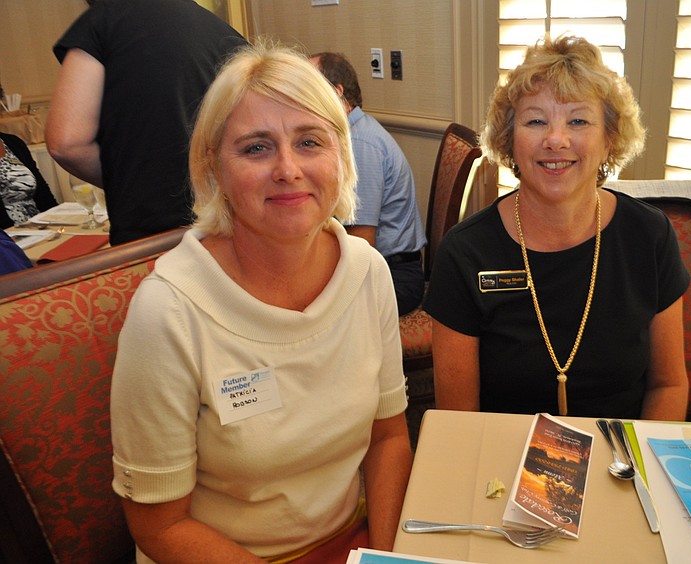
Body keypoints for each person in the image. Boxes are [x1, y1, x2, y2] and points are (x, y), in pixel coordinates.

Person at [109, 44, 412, 563]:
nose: (288, 169)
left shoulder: (367, 271)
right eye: (256, 148)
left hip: (348, 540)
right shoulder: (169, 311)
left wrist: (386, 558)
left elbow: (387, 439)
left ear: (341, 154)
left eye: (309, 142)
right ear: (213, 166)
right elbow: (160, 527)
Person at [423, 35, 691, 420]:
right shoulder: (465, 253)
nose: (555, 140)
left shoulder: (649, 236)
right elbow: (459, 420)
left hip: (624, 451)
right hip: (503, 454)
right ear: (509, 140)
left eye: (578, 120)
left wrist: (638, 458)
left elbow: (669, 385)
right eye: (536, 121)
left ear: (609, 139)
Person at [46, 0, 247, 246]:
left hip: (152, 232)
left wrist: (128, 181)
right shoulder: (226, 33)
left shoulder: (104, 21)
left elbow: (67, 144)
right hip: (229, 226)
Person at [310, 52, 427, 315]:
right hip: (382, 266)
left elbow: (361, 243)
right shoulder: (350, 135)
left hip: (395, 276)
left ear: (336, 93)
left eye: (310, 88)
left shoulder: (359, 144)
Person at [0, 132, 58, 228]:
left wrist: (58, 219)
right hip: (8, 233)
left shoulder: (13, 142)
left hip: (40, 227)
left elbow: (43, 191)